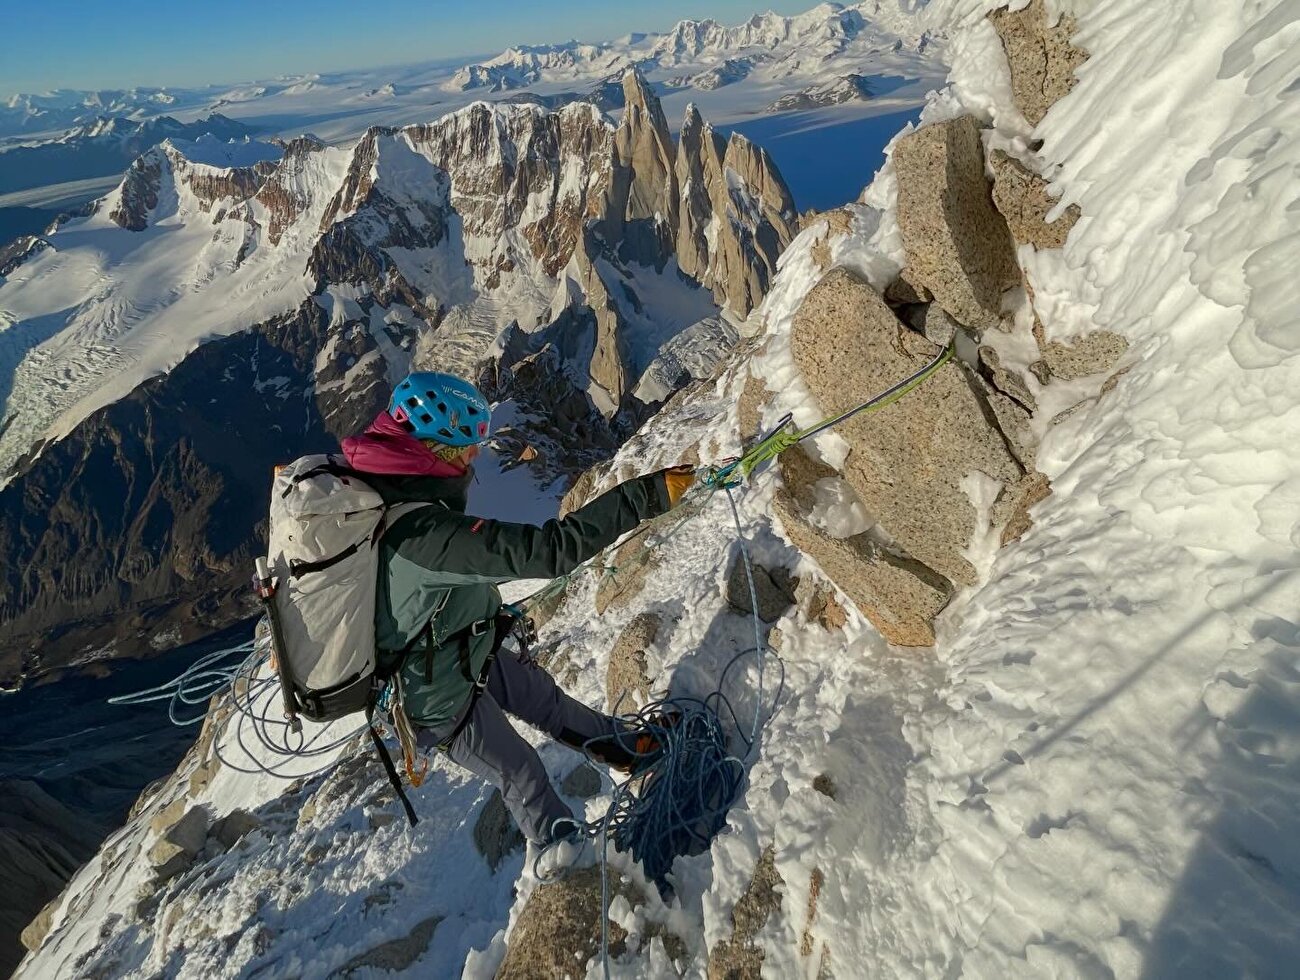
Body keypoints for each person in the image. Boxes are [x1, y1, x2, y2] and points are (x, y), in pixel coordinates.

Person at [340, 371, 694, 849]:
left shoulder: (397, 493)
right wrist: (646, 495)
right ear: (440, 449)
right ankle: (564, 857)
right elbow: (551, 551)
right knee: (521, 772)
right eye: (467, 446)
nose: (474, 457)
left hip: (465, 648)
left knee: (546, 700)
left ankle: (631, 749)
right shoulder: (427, 535)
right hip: (436, 699)